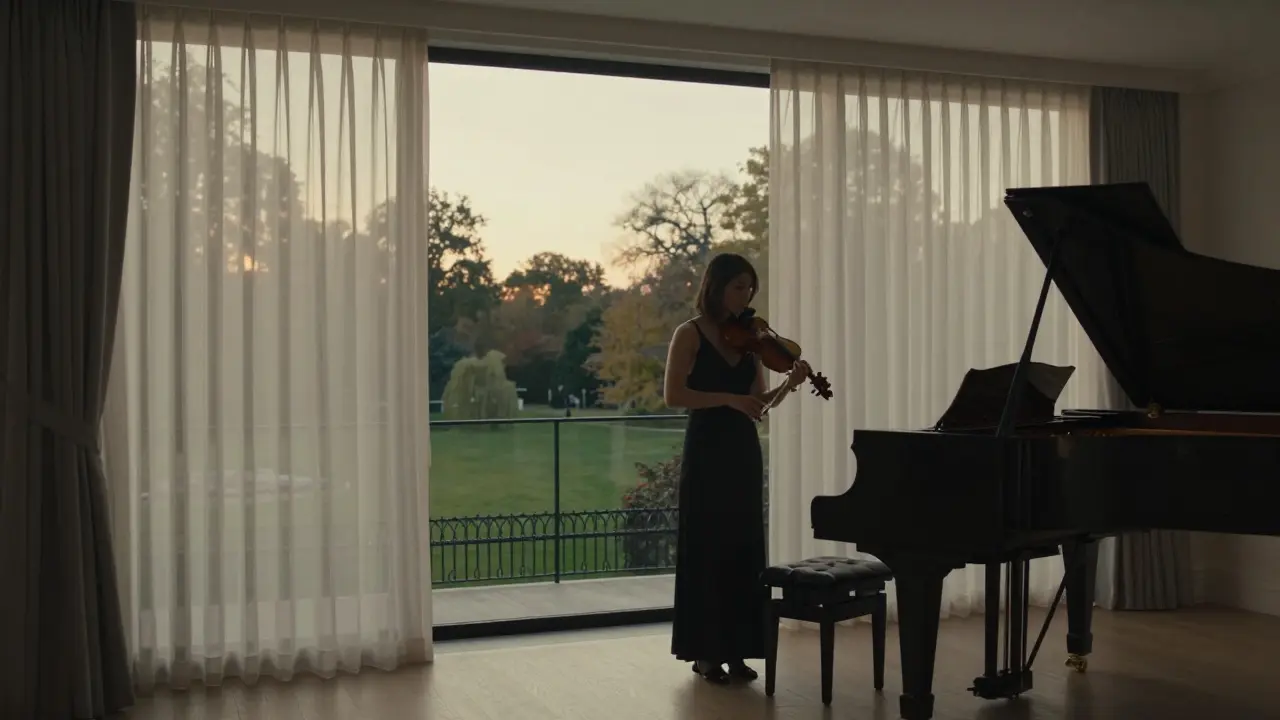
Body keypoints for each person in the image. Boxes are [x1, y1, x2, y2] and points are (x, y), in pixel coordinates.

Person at [662, 252, 812, 684]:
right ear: (716, 286)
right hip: (707, 450)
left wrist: (790, 382)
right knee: (707, 548)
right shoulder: (688, 334)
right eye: (738, 287)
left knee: (742, 549)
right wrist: (726, 399)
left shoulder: (750, 340)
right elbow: (674, 395)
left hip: (741, 451)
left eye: (750, 289)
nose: (745, 296)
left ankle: (740, 652)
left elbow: (759, 406)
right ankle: (706, 653)